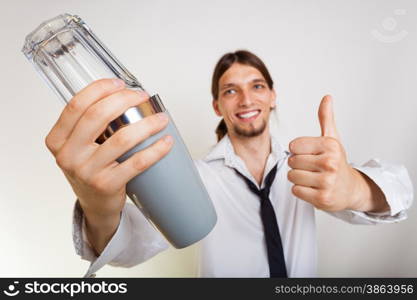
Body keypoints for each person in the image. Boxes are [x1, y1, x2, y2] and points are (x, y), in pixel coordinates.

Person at [45, 50, 413, 278]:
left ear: (272, 97)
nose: (245, 98)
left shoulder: (309, 168)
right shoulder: (192, 179)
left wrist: (356, 189)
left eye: (257, 86)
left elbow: (399, 188)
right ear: (217, 106)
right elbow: (130, 246)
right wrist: (99, 210)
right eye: (230, 90)